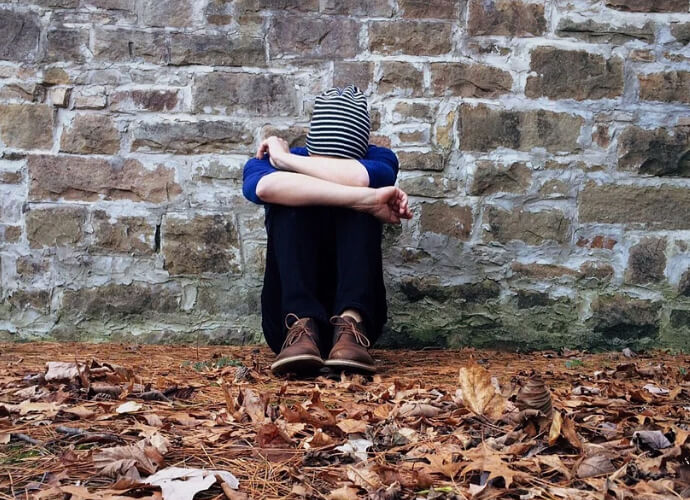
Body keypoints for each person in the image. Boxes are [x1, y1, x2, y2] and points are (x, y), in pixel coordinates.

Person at [242, 85, 413, 376]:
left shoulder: (381, 159)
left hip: (358, 320)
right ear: (311, 149)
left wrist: (286, 161)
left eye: (340, 165)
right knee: (291, 203)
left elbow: (361, 179)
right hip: (285, 319)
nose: (329, 169)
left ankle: (350, 324)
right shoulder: (263, 164)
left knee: (362, 204)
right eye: (321, 161)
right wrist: (367, 200)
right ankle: (302, 325)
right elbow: (265, 188)